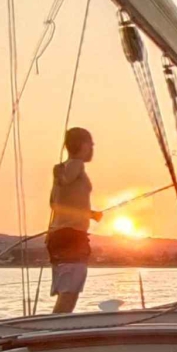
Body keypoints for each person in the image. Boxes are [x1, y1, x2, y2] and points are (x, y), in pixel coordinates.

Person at [46, 127, 102, 314]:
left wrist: (88, 213)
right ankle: (54, 328)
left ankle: (55, 325)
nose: (92, 149)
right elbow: (65, 179)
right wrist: (60, 174)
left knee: (67, 291)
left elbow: (55, 204)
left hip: (58, 236)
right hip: (71, 236)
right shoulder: (75, 165)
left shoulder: (63, 170)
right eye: (91, 144)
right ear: (83, 145)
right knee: (69, 294)